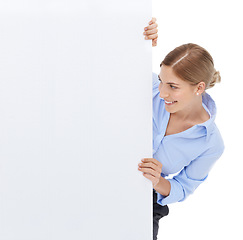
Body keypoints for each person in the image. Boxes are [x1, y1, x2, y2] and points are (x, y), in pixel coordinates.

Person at [140, 18, 225, 240]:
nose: (162, 92)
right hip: (103, 177)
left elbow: (183, 188)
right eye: (161, 81)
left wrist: (157, 180)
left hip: (145, 202)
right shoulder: (148, 89)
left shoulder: (210, 144)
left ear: (199, 88)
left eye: (172, 87)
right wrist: (141, 39)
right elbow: (113, 58)